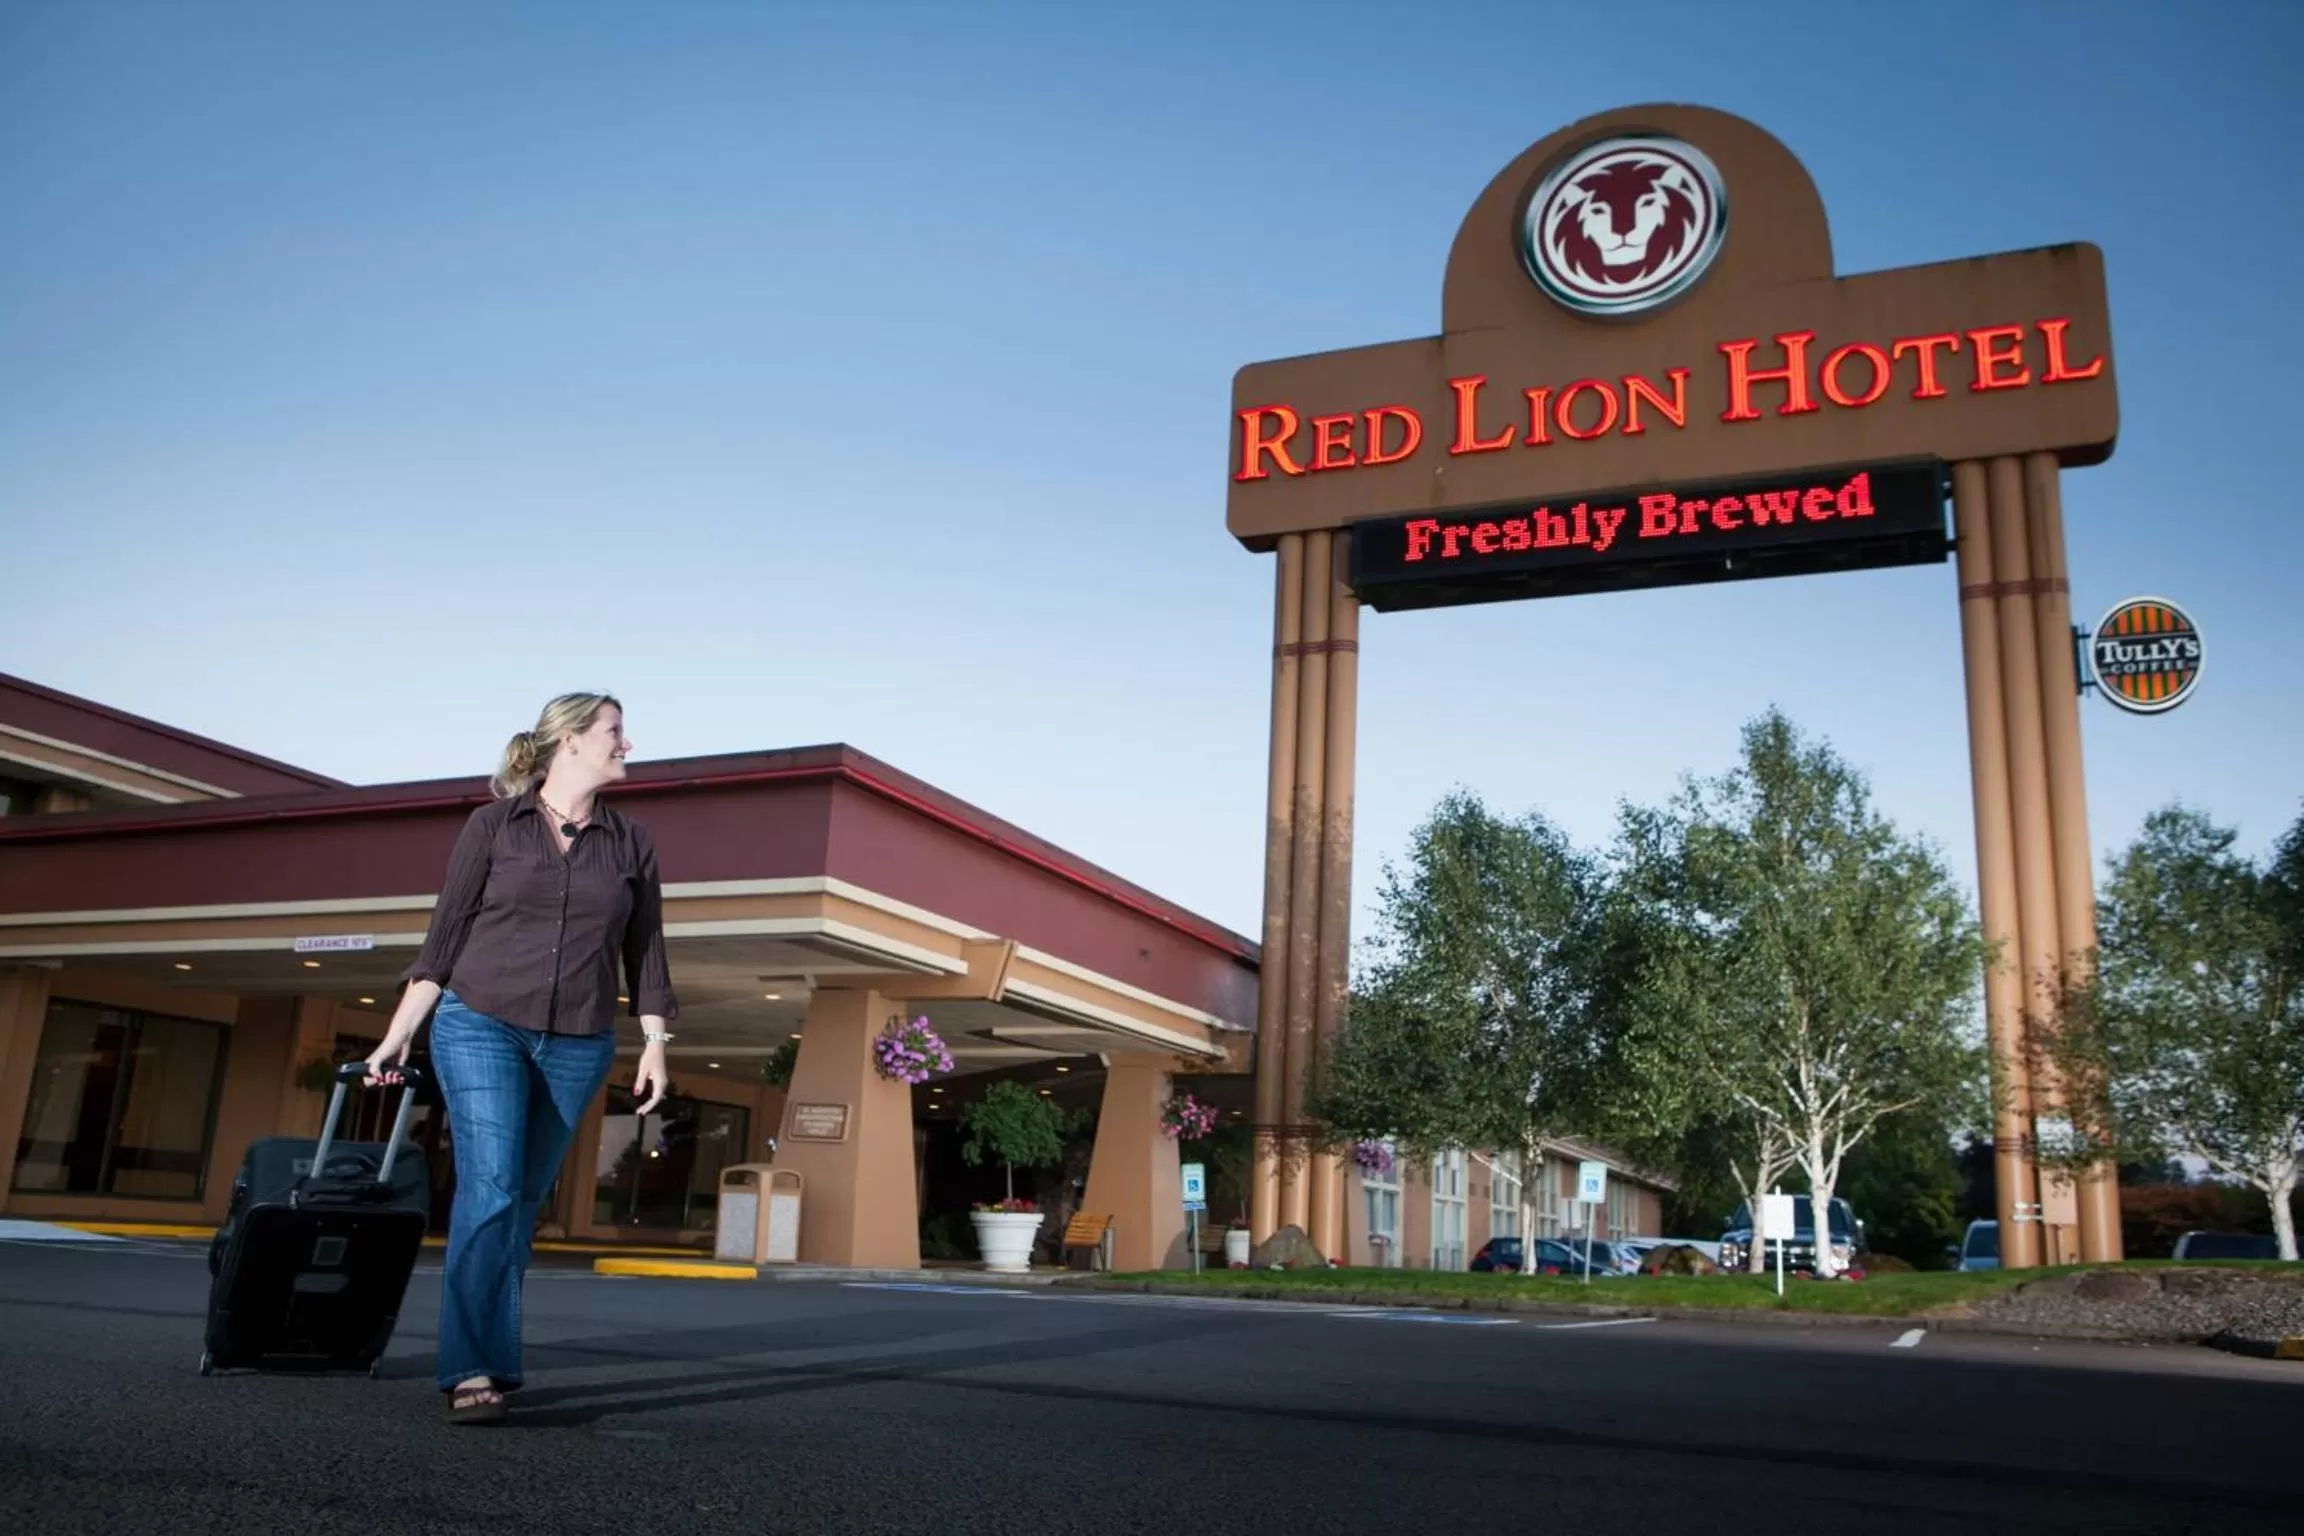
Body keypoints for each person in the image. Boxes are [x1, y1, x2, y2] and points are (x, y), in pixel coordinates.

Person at [364, 692, 677, 1424]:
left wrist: (656, 1043)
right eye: (614, 732)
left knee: (520, 1204)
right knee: (493, 1186)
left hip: (578, 1040)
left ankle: (490, 1356)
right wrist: (399, 1031)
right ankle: (472, 1367)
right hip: (480, 1023)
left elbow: (648, 956)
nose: (626, 744)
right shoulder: (492, 827)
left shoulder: (631, 843)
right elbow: (442, 942)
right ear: (569, 740)